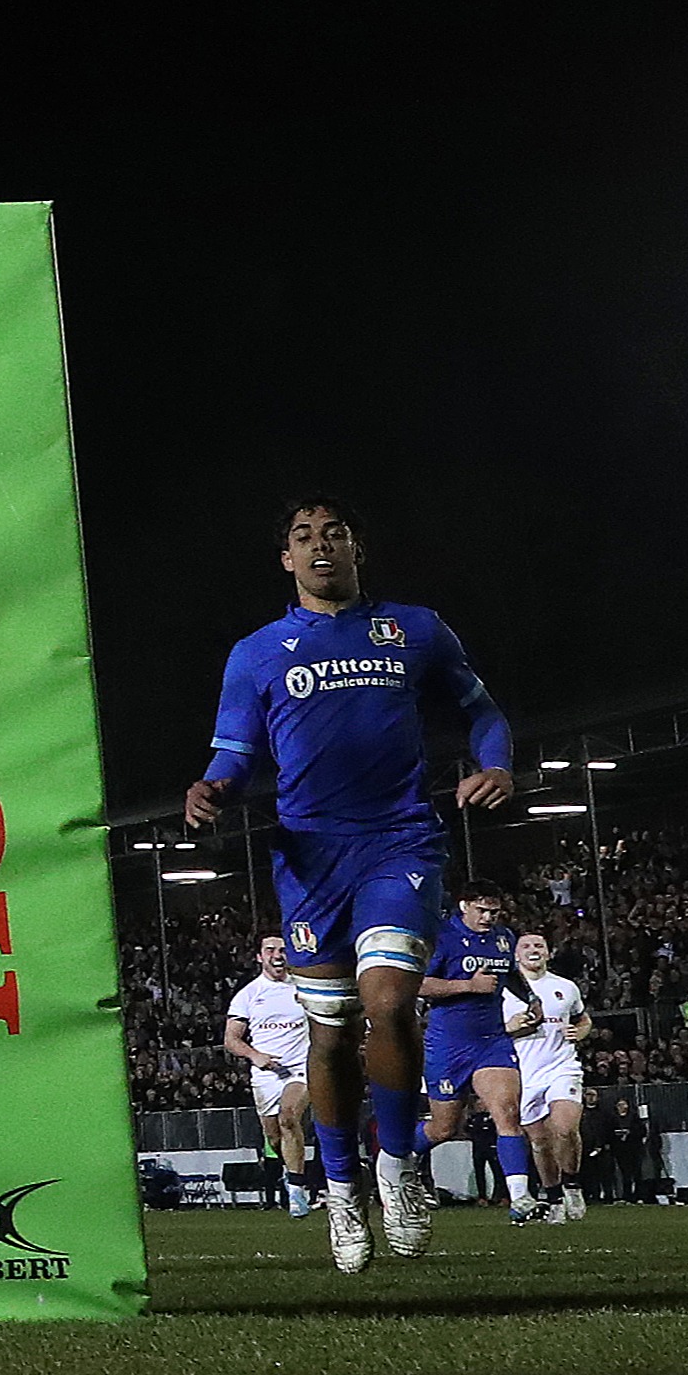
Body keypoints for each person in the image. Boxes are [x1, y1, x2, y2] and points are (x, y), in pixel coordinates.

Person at [184, 499, 518, 1273]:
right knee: (329, 1037)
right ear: (285, 561)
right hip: (309, 858)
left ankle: (398, 1169)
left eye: (332, 531)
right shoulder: (257, 651)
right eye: (301, 536)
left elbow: (480, 707)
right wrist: (211, 789)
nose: (318, 544)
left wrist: (494, 762)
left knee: (390, 999)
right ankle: (340, 1189)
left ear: (356, 545)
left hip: (398, 840)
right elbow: (232, 750)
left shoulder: (414, 629)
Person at [418, 883, 533, 1226]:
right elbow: (417, 983)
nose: (488, 917)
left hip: (491, 1042)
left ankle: (521, 1197)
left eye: (493, 912)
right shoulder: (440, 936)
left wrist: (531, 999)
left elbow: (510, 975)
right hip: (448, 1045)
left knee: (507, 1112)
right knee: (443, 1127)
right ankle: (398, 1158)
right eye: (481, 910)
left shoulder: (503, 938)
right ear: (464, 905)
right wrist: (467, 986)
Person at [224, 934, 322, 1217]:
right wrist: (256, 1056)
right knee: (274, 1137)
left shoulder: (305, 988)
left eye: (282, 950)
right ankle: (291, 1172)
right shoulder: (248, 994)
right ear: (260, 957)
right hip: (266, 1075)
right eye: (270, 950)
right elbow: (231, 1039)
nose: (277, 955)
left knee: (289, 1116)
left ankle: (297, 1190)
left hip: (301, 1068)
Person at [509, 931, 592, 1222]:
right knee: (540, 1142)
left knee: (565, 1128)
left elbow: (583, 1019)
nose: (534, 950)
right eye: (527, 946)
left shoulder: (565, 987)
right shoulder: (503, 990)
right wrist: (513, 1028)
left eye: (539, 945)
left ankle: (572, 1184)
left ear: (548, 952)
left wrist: (580, 1031)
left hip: (562, 1067)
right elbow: (493, 1031)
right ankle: (554, 1196)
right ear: (515, 954)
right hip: (524, 1073)